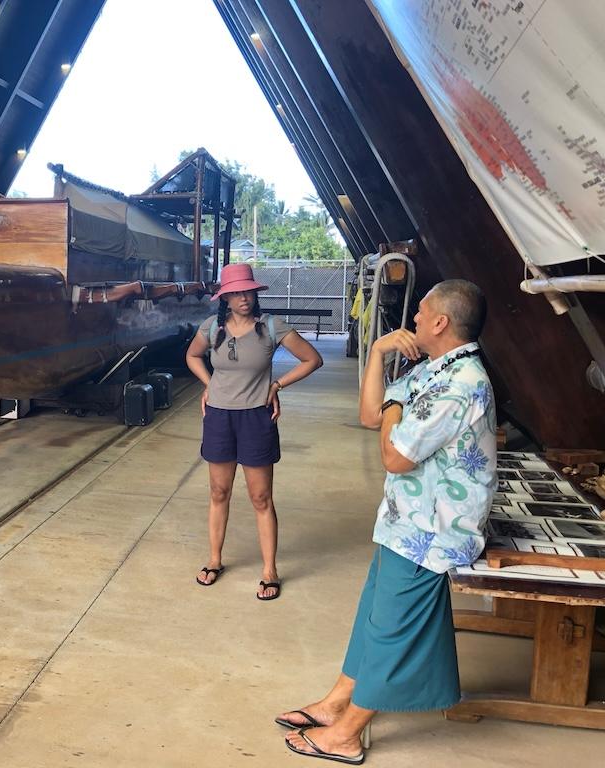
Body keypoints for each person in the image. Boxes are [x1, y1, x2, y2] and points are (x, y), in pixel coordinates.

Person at [277, 279, 496, 764]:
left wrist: (394, 409)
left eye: (421, 311)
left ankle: (347, 733)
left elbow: (394, 456)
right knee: (375, 615)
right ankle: (338, 702)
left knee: (396, 630)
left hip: (432, 530)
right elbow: (371, 416)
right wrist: (376, 352)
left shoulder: (460, 384)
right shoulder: (436, 368)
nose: (413, 318)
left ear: (440, 322)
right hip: (406, 521)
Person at [186, 263, 323, 600]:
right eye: (235, 293)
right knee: (219, 492)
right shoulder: (212, 327)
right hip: (219, 417)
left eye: (247, 291)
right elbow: (192, 356)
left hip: (256, 418)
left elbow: (312, 359)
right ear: (225, 298)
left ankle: (269, 570)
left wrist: (277, 385)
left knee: (261, 497)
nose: (243, 298)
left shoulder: (271, 327)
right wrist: (209, 384)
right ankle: (215, 560)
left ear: (255, 293)